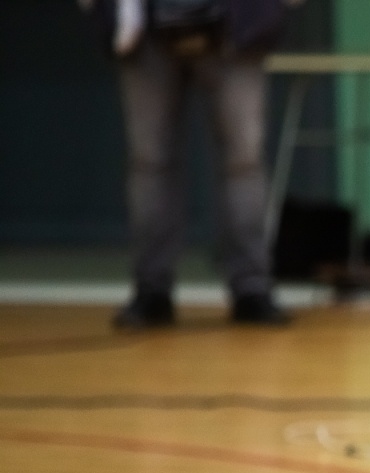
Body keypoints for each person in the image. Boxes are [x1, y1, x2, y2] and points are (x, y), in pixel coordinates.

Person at [83, 0, 295, 328]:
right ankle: (151, 289)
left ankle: (252, 288)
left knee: (244, 160)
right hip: (143, 28)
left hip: (236, 23)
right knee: (150, 162)